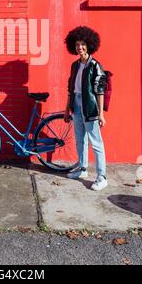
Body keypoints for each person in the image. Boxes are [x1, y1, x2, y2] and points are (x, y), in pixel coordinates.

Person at [64, 26, 108, 191]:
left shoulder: (95, 65)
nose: (80, 47)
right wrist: (67, 108)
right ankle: (82, 169)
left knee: (96, 142)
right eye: (77, 44)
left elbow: (100, 90)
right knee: (79, 139)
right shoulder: (75, 65)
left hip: (90, 106)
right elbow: (71, 88)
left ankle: (102, 177)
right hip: (76, 104)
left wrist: (101, 114)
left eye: (82, 44)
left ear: (89, 45)